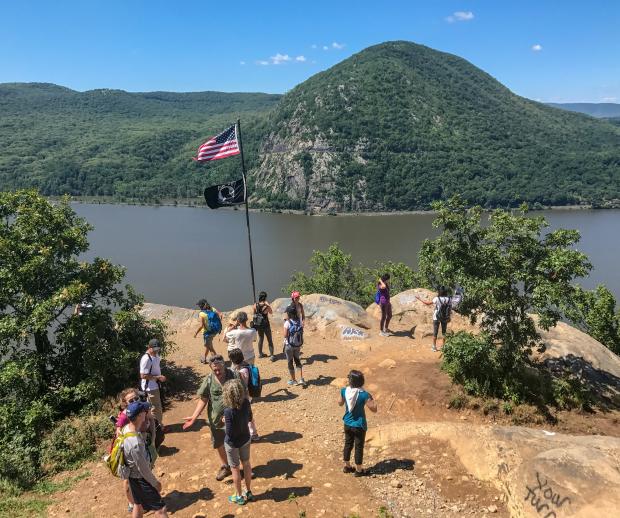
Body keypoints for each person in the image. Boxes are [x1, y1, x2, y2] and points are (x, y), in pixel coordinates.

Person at [183, 354, 238, 481]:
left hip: (233, 419)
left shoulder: (234, 375)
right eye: (215, 370)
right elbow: (204, 399)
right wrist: (194, 417)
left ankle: (240, 468)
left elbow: (242, 396)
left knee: (236, 443)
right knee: (219, 443)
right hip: (216, 421)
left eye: (220, 369)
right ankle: (226, 467)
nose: (217, 372)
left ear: (224, 365)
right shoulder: (209, 379)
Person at [122, 401, 168, 518]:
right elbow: (143, 468)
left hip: (133, 477)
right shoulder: (135, 444)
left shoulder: (126, 429)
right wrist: (155, 483)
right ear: (139, 416)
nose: (146, 413)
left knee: (138, 505)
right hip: (142, 479)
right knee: (161, 509)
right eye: (144, 412)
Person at [114, 388, 157, 514]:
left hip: (142, 444)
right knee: (128, 478)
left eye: (136, 398)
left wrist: (153, 438)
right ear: (125, 403)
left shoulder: (143, 407)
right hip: (130, 449)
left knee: (144, 471)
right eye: (130, 400)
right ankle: (132, 503)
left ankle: (140, 500)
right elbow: (119, 435)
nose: (134, 401)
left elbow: (151, 420)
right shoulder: (124, 416)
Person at [338, 370, 377, 477]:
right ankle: (359, 471)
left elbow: (340, 403)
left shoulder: (344, 391)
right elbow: (374, 409)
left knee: (348, 444)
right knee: (358, 447)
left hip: (347, 423)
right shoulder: (364, 395)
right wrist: (372, 398)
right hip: (359, 425)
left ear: (351, 381)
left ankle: (347, 466)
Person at [223, 379, 255, 505]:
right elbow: (250, 418)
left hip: (232, 444)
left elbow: (229, 433)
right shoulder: (246, 402)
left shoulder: (228, 411)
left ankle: (238, 496)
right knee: (246, 464)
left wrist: (224, 422)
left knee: (235, 469)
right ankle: (248, 491)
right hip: (245, 438)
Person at [228, 348, 259, 441]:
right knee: (248, 415)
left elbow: (242, 385)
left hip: (243, 397)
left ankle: (253, 434)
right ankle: (253, 433)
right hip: (247, 395)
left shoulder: (242, 371)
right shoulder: (246, 365)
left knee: (247, 416)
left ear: (233, 359)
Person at [416, 286, 452, 351]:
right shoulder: (449, 299)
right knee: (444, 332)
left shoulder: (437, 299)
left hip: (436, 317)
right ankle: (444, 347)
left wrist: (419, 299)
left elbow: (427, 303)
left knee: (435, 332)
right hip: (445, 317)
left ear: (439, 292)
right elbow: (450, 308)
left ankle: (434, 347)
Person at [139, 339, 166, 427]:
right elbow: (143, 375)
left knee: (156, 407)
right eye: (154, 350)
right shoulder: (146, 359)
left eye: (158, 349)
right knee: (155, 409)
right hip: (150, 388)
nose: (156, 351)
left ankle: (156, 426)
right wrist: (158, 377)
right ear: (149, 348)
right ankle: (158, 428)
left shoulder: (155, 355)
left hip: (155, 385)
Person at [194, 299, 223, 364]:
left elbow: (201, 326)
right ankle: (204, 358)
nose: (199, 306)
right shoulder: (213, 309)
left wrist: (196, 333)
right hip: (215, 331)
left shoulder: (201, 314)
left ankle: (218, 361)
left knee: (210, 348)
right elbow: (221, 315)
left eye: (199, 305)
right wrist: (218, 323)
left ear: (201, 306)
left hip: (207, 333)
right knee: (208, 345)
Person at [283, 307, 305, 386]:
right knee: (297, 360)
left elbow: (285, 335)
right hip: (297, 344)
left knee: (290, 362)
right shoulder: (299, 321)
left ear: (289, 314)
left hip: (289, 345)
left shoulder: (287, 323)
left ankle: (293, 380)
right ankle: (301, 379)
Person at [253, 291, 275, 361]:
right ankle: (271, 355)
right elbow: (271, 312)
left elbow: (254, 314)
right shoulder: (266, 306)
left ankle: (260, 354)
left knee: (261, 339)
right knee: (269, 340)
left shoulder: (255, 305)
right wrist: (268, 305)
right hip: (266, 324)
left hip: (259, 324)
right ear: (265, 297)